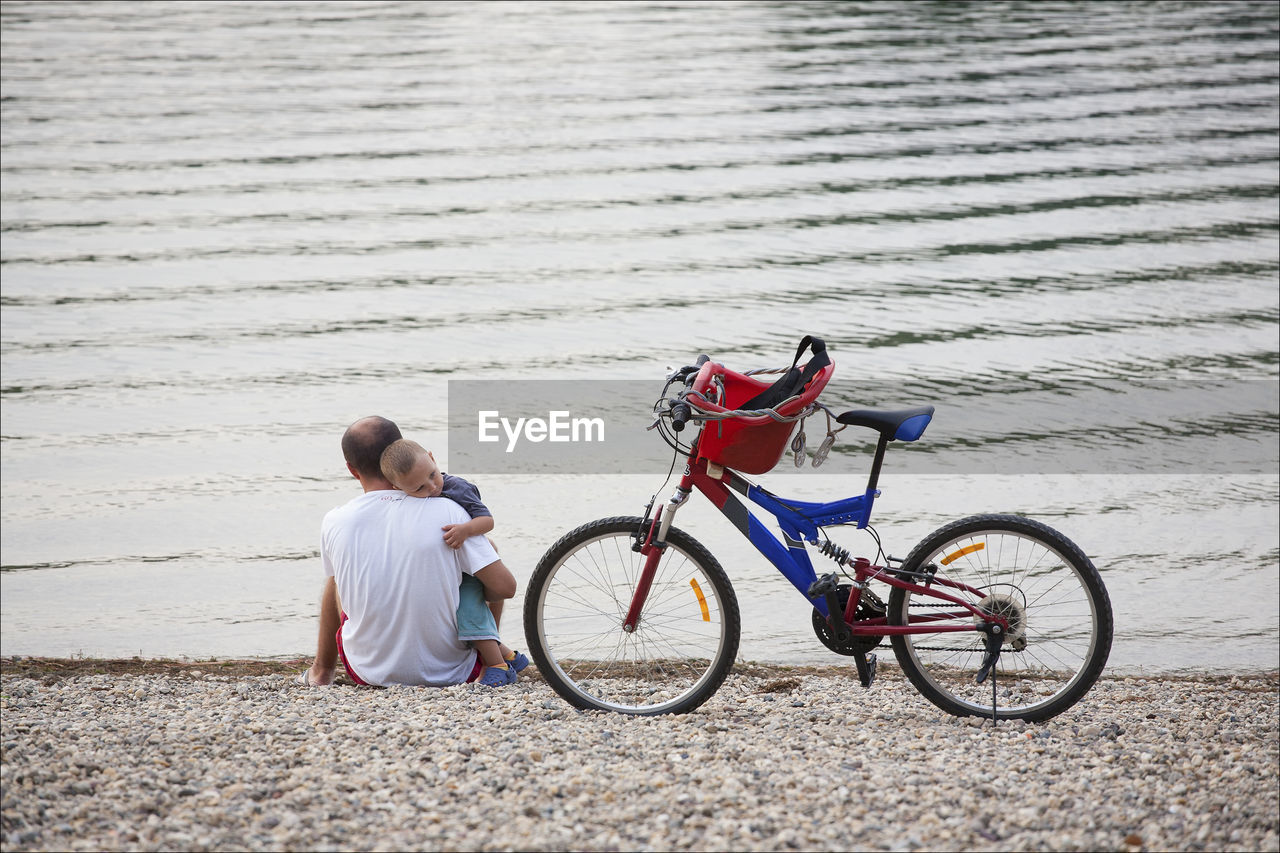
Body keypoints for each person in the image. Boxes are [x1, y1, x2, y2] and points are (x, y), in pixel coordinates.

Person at [300, 416, 518, 688]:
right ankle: (491, 654)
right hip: (454, 671)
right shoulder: (450, 511)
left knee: (336, 579)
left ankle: (321, 671)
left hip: (367, 671)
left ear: (352, 470)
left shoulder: (334, 520)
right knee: (483, 562)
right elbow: (505, 587)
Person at [378, 437, 529, 685]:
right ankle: (511, 656)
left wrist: (465, 530)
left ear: (433, 458)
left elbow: (487, 521)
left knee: (469, 612)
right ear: (397, 489)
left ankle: (498, 666)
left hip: (471, 566)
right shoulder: (404, 503)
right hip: (449, 567)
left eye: (432, 475)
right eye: (419, 488)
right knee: (460, 617)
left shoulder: (457, 487)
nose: (432, 487)